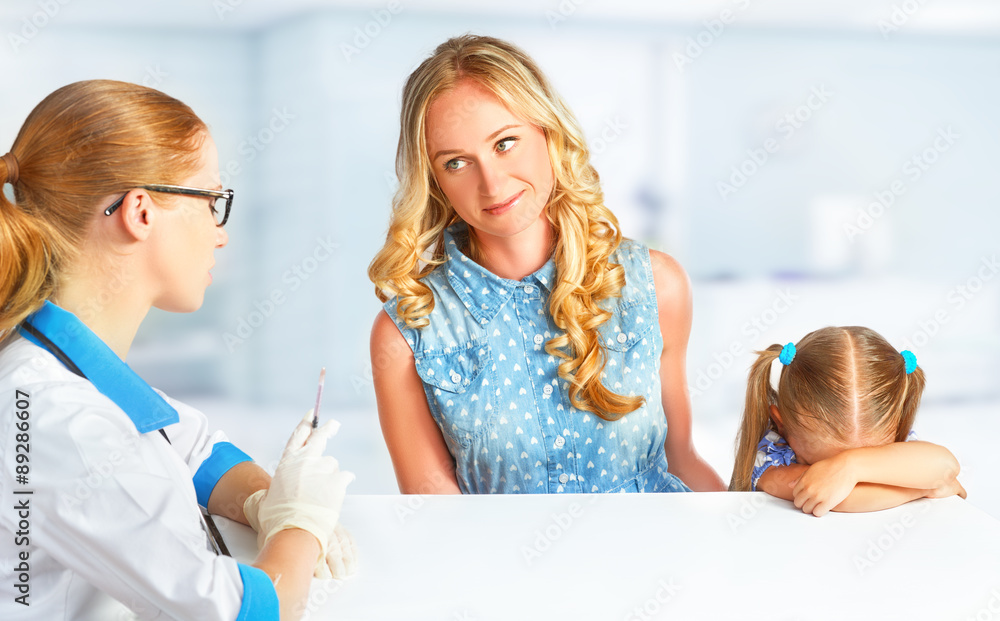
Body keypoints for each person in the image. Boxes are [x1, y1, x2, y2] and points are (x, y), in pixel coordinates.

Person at [0, 80, 353, 621]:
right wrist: (301, 524)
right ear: (140, 211)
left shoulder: (57, 357)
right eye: (212, 201)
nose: (220, 234)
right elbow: (247, 613)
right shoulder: (60, 419)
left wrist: (265, 500)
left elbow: (190, 448)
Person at [368, 35, 725, 495]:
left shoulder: (656, 285)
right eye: (456, 162)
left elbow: (683, 461)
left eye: (505, 143)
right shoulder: (407, 331)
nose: (492, 184)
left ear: (548, 132)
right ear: (435, 182)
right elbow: (438, 521)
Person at [730, 326, 966, 516]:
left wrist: (852, 466)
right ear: (782, 424)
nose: (840, 473)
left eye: (872, 455)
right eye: (828, 464)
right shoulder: (771, 460)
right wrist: (926, 487)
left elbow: (946, 465)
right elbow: (840, 499)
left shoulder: (893, 439)